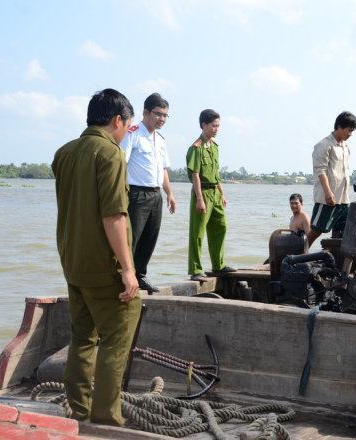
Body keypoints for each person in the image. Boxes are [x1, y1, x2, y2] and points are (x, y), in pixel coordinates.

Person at [51, 88, 141, 426]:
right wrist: (129, 270)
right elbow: (114, 216)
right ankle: (106, 416)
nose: (125, 132)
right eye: (127, 125)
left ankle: (78, 408)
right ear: (117, 121)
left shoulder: (64, 153)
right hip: (104, 267)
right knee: (117, 337)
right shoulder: (110, 154)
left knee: (82, 338)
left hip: (73, 262)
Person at [120, 93, 176, 294]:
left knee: (150, 237)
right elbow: (120, 163)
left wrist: (169, 194)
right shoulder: (133, 133)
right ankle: (124, 277)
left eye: (165, 115)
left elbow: (163, 170)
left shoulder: (160, 139)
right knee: (131, 238)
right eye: (158, 114)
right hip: (136, 194)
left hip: (155, 195)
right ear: (145, 112)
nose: (162, 119)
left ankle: (140, 275)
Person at [306, 111, 356, 266]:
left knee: (355, 229)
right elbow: (320, 171)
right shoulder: (323, 145)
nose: (350, 134)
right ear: (339, 127)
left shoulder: (345, 147)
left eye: (352, 131)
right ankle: (297, 257)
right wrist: (328, 192)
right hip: (327, 199)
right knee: (316, 230)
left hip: (343, 199)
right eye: (349, 130)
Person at [186, 109, 236, 281]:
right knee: (197, 233)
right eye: (214, 125)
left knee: (221, 227)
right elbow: (195, 175)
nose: (216, 129)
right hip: (203, 193)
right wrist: (199, 199)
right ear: (204, 125)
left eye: (218, 125)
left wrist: (222, 193)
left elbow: (216, 173)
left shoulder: (214, 146)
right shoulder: (196, 148)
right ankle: (195, 270)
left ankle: (218, 265)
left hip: (215, 192)